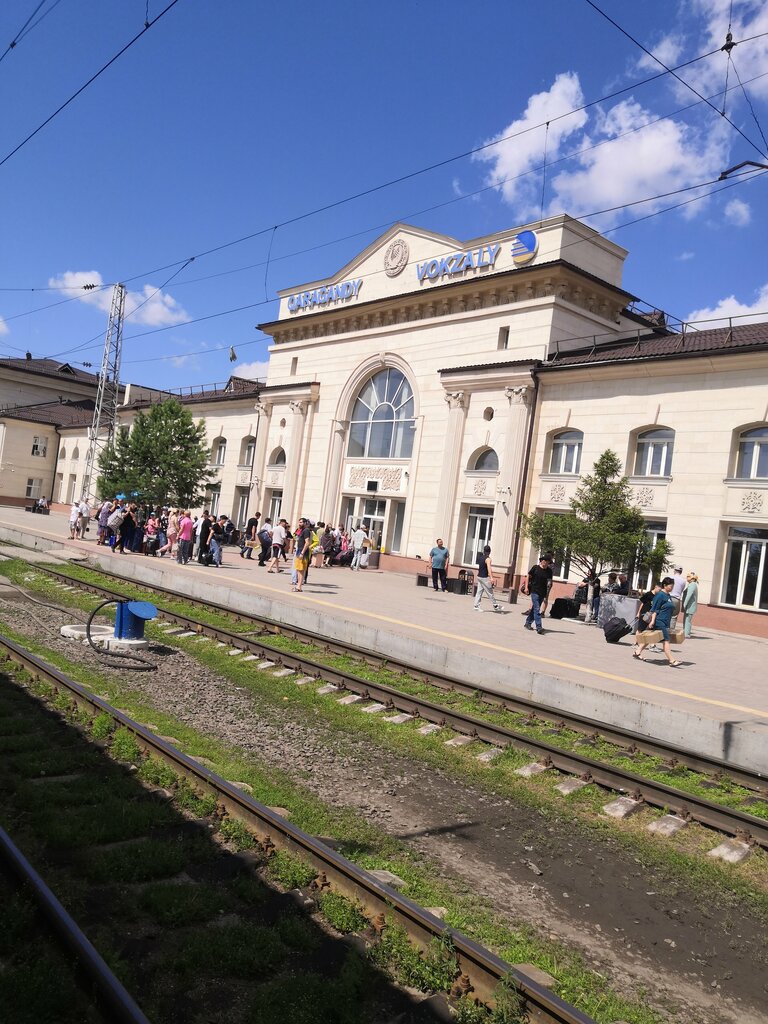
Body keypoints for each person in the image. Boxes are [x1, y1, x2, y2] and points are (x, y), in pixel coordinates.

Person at [634, 576, 681, 666]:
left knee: (653, 638)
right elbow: (654, 609)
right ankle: (672, 660)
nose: (672, 588)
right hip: (659, 621)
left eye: (673, 586)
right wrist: (652, 621)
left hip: (665, 621)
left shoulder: (668, 595)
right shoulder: (660, 595)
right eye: (670, 586)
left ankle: (638, 651)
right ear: (665, 585)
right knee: (666, 640)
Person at [522, 554, 553, 633]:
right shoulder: (535, 568)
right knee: (537, 609)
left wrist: (548, 592)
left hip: (543, 592)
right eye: (545, 561)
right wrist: (526, 587)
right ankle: (539, 627)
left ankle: (528, 623)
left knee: (534, 609)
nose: (546, 563)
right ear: (542, 561)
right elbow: (528, 576)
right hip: (534, 591)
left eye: (548, 562)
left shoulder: (549, 571)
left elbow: (549, 582)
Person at [633, 581, 661, 650]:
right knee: (640, 629)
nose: (660, 591)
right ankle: (636, 643)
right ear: (656, 587)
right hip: (645, 613)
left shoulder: (658, 596)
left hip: (652, 614)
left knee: (652, 629)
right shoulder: (648, 594)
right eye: (659, 590)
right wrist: (638, 613)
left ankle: (652, 645)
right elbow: (642, 604)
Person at [474, 545, 502, 613]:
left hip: (479, 576)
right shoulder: (488, 559)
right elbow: (489, 568)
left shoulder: (481, 558)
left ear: (484, 551)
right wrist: (491, 578)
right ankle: (495, 606)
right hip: (484, 578)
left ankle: (476, 606)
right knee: (490, 592)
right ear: (489, 551)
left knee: (479, 592)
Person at [292, 517, 312, 592]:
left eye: (301, 522)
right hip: (299, 551)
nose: (299, 524)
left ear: (305, 523)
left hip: (302, 552)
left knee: (300, 570)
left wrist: (302, 553)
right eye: (299, 522)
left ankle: (299, 586)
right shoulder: (302, 530)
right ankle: (298, 586)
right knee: (299, 569)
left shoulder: (306, 530)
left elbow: (307, 543)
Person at [682, 572, 699, 638]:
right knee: (686, 619)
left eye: (688, 576)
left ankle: (687, 634)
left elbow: (688, 595)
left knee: (687, 620)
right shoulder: (692, 584)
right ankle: (685, 632)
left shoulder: (692, 585)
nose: (687, 578)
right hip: (689, 606)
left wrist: (684, 604)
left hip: (690, 606)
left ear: (692, 578)